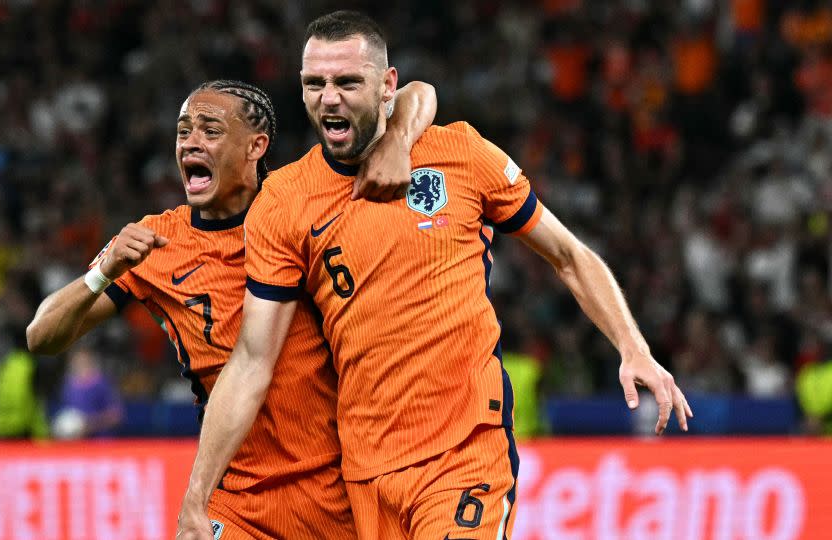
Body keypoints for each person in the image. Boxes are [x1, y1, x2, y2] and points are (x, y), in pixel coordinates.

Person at [179, 10, 693, 540]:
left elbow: (567, 255)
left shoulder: (460, 154)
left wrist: (632, 345)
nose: (328, 97)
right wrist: (197, 495)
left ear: (387, 85)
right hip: (365, 470)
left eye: (347, 82)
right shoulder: (283, 203)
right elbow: (252, 360)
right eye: (315, 83)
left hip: (465, 451)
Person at [27, 77, 436, 538]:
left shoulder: (302, 205)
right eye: (183, 132)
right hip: (238, 498)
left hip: (339, 492)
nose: (190, 144)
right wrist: (102, 272)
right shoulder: (157, 242)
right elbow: (41, 336)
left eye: (210, 131)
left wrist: (396, 140)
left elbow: (418, 92)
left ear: (256, 146)